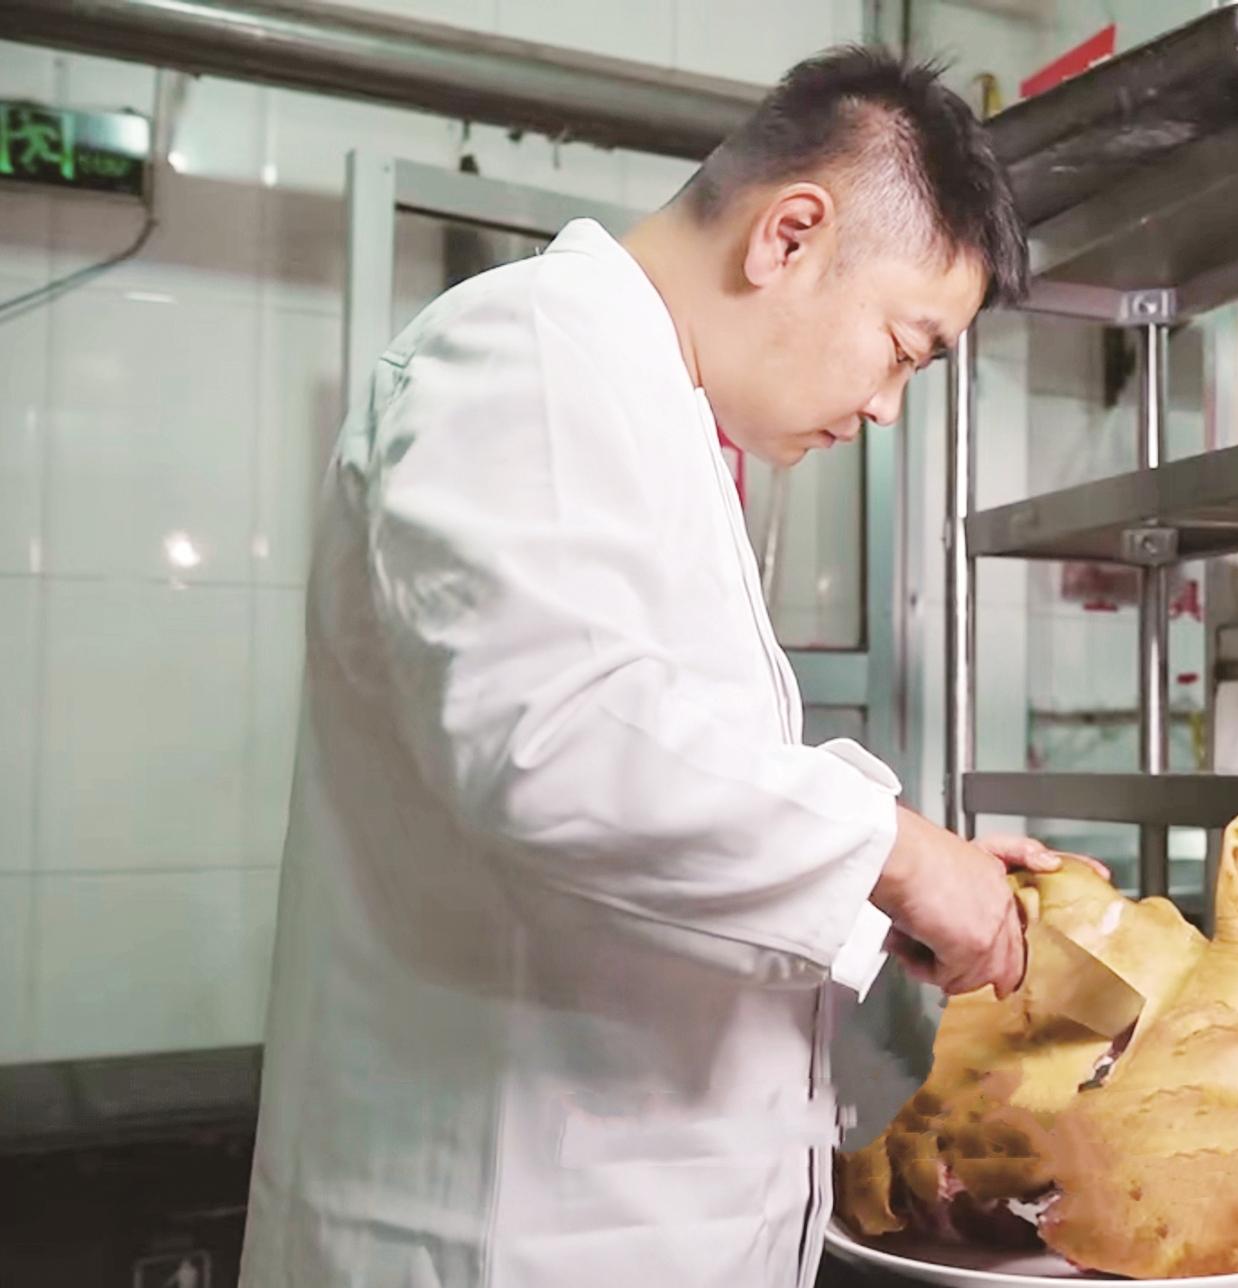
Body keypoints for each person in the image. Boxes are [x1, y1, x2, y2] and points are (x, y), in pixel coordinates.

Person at [238, 45, 1077, 1288]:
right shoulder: (530, 351)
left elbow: (649, 797)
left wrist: (882, 893)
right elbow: (556, 746)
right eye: (905, 347)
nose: (888, 407)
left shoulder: (650, 412)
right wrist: (894, 852)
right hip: (509, 1241)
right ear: (789, 235)